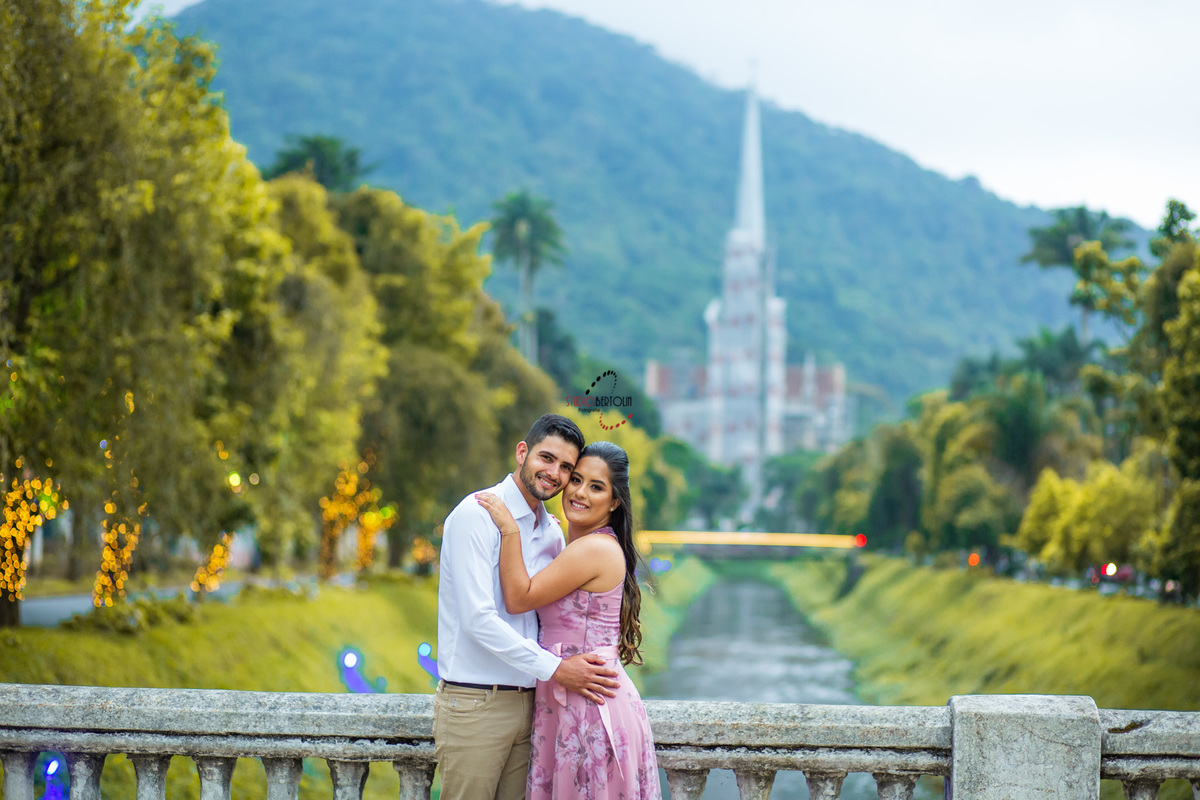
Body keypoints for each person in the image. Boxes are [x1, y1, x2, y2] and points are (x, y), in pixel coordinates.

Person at [434, 413, 621, 800]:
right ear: (523, 452)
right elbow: (477, 620)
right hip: (475, 702)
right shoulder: (477, 515)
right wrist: (555, 668)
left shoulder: (552, 532)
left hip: (534, 706)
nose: (554, 473)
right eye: (546, 458)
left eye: (566, 467)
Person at [476, 440, 662, 800]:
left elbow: (519, 598)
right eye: (575, 479)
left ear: (615, 501)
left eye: (596, 487)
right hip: (568, 696)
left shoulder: (595, 549)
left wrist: (510, 529)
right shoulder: (576, 545)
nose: (579, 492)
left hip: (589, 705)